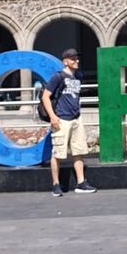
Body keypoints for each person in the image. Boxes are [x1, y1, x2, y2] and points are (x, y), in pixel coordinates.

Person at [42, 48, 98, 196]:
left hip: (76, 118)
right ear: (65, 61)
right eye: (73, 59)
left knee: (79, 152)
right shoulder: (58, 77)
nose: (76, 61)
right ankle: (55, 185)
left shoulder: (78, 76)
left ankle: (81, 183)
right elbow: (45, 96)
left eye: (77, 58)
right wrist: (53, 116)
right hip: (62, 119)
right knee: (58, 153)